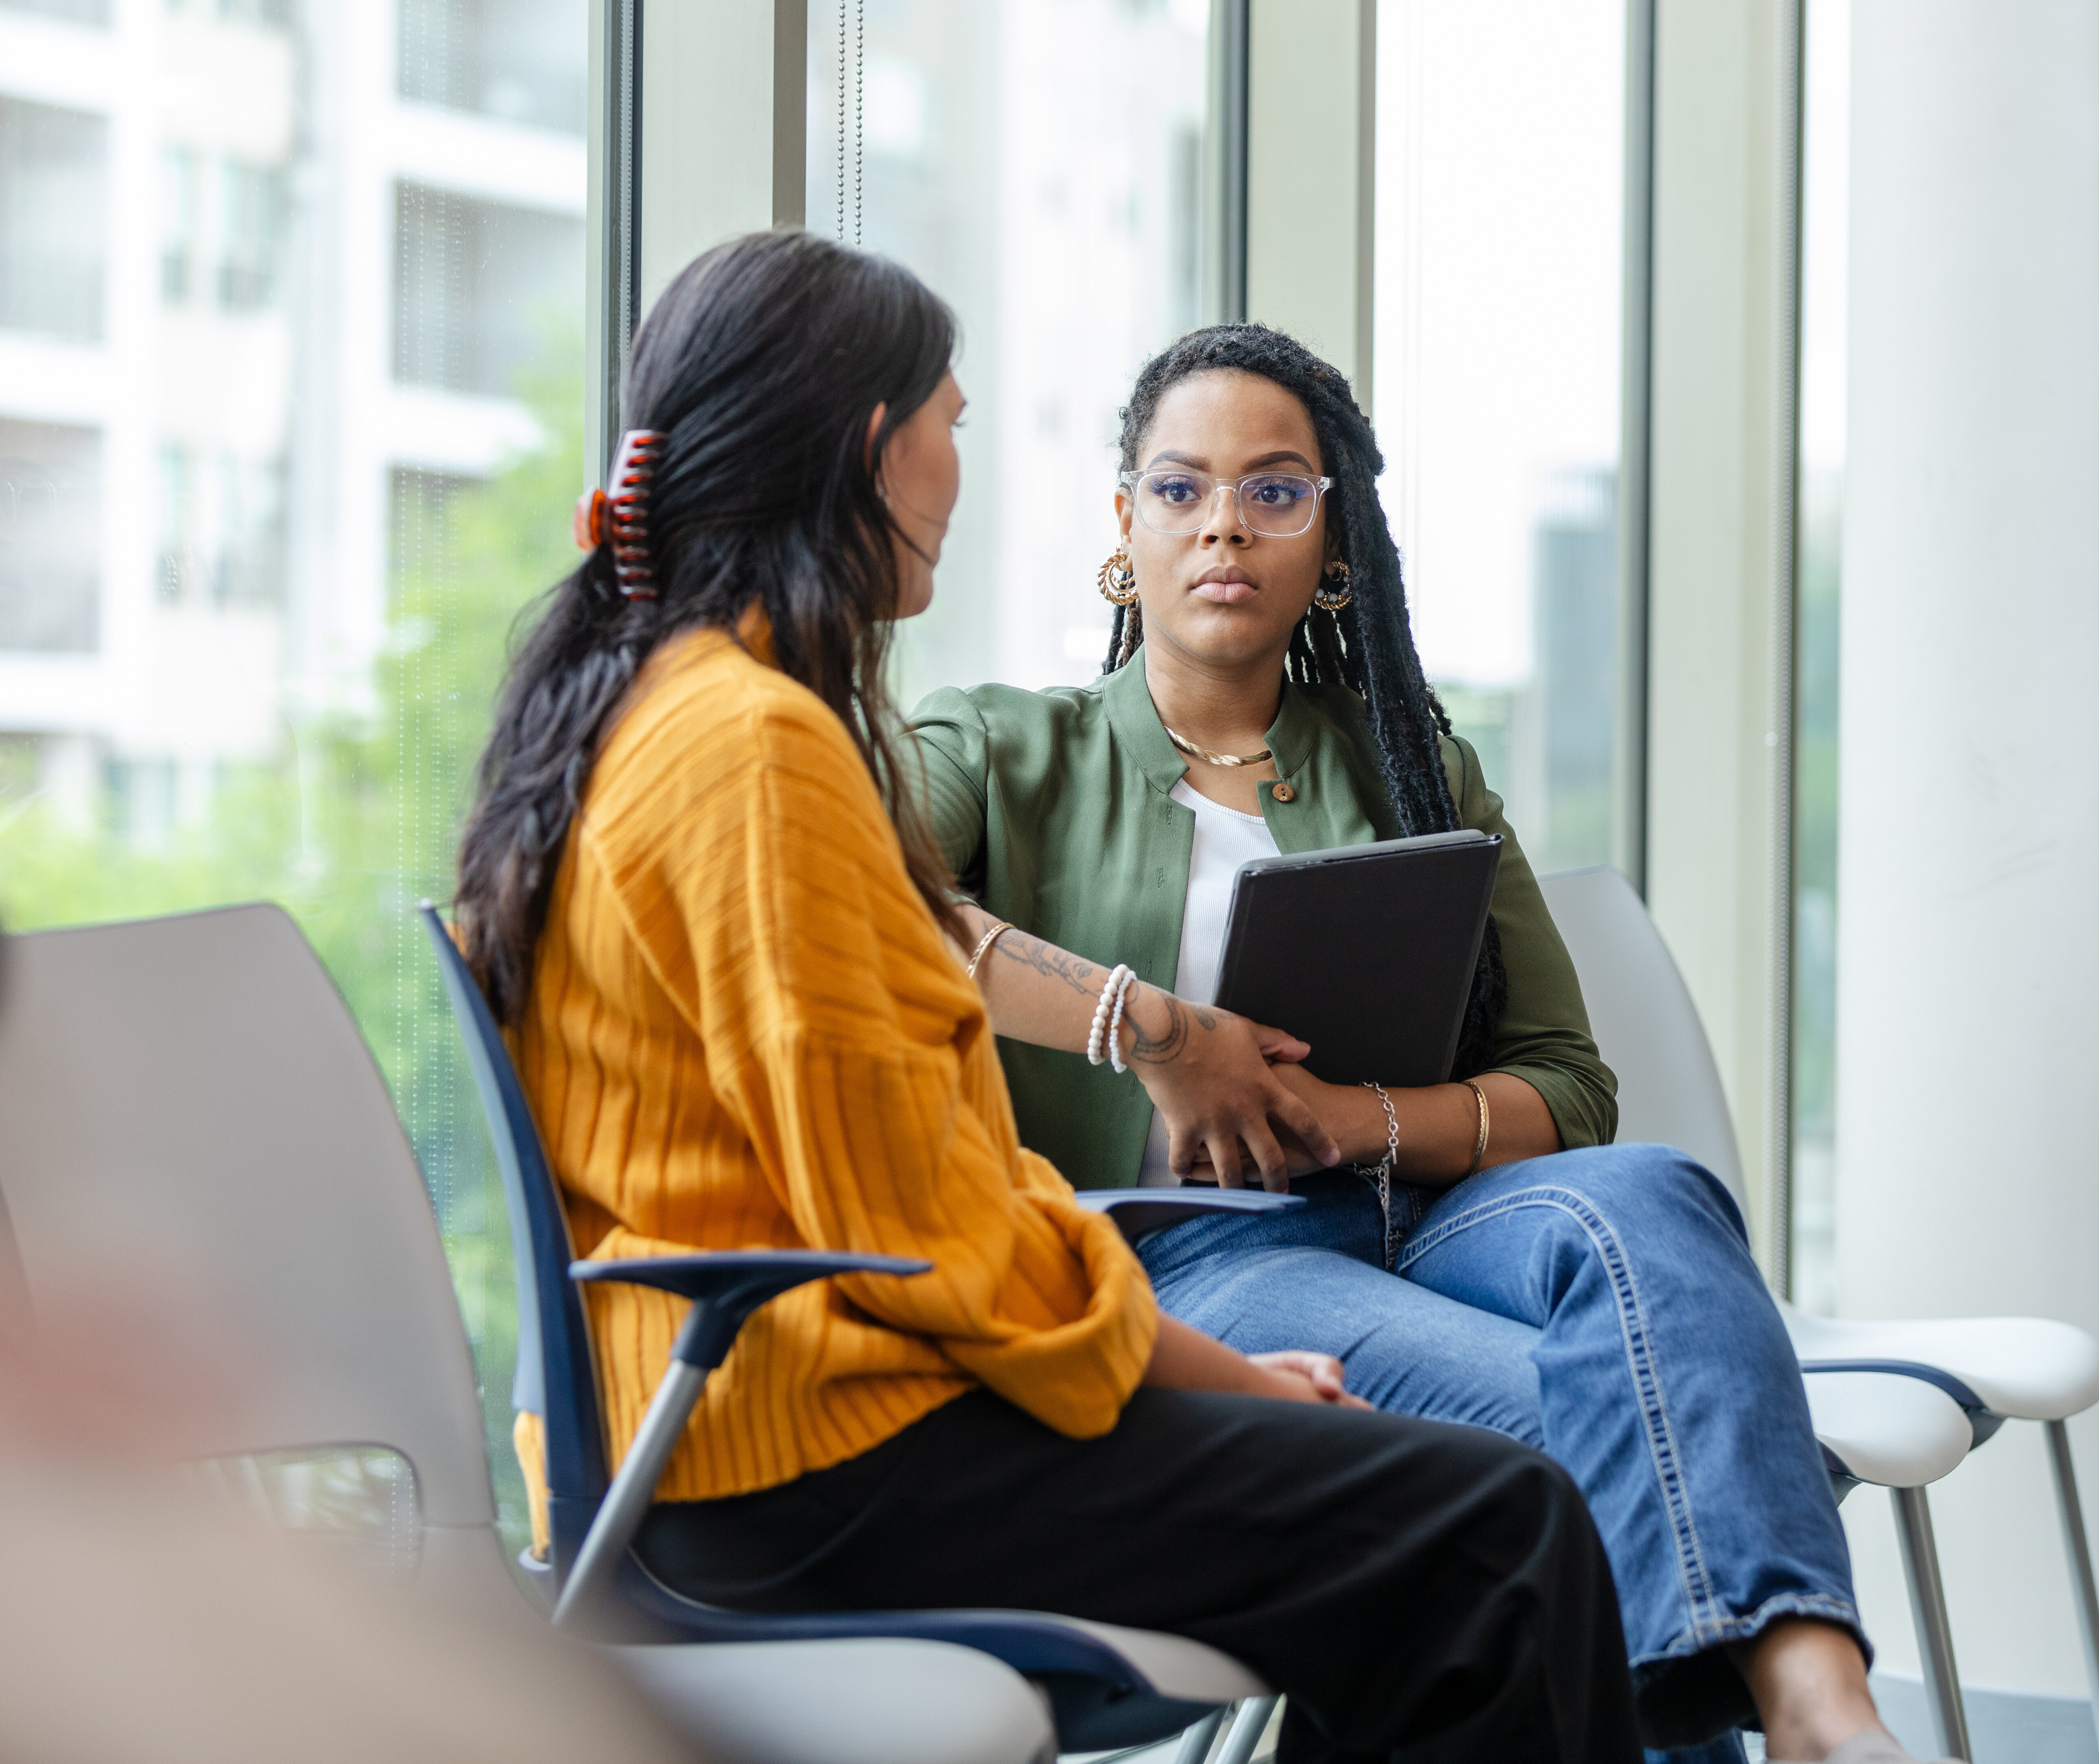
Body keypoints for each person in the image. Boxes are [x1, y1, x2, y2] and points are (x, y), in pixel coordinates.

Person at [450, 232, 1643, 1764]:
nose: (961, 462)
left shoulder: (679, 703)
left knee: (1448, 1524)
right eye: (949, 419)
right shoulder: (757, 749)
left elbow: (924, 1185)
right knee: (1493, 1526)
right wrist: (1218, 1376)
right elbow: (925, 1236)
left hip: (740, 1438)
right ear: (867, 447)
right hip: (787, 1463)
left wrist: (1222, 1382)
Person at [910, 324, 1947, 1764]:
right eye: (1179, 488)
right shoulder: (999, 746)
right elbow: (857, 893)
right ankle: (1794, 1721)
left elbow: (1569, 1084)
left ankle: (1822, 1705)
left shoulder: (1413, 765)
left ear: (1332, 537)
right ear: (1122, 527)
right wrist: (1144, 1028)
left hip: (1434, 1214)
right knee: (1599, 1447)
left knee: (1655, 1190)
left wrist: (1352, 1120)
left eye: (1277, 491)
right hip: (1198, 1251)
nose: (1224, 525)